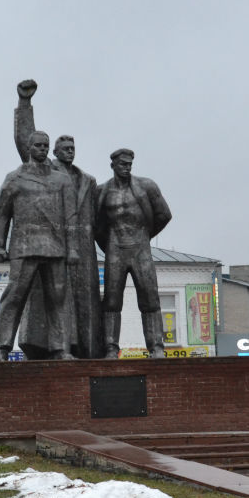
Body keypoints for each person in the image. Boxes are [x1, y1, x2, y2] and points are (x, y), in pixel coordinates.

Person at [12, 80, 101, 359]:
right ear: (54, 152)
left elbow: (96, 218)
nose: (70, 151)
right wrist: (25, 104)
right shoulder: (45, 171)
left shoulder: (87, 180)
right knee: (53, 300)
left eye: (73, 147)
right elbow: (25, 138)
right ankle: (49, 347)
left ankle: (77, 347)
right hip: (50, 245)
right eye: (64, 148)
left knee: (78, 303)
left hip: (80, 251)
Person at [0, 126, 75, 361]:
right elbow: (1, 213)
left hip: (55, 247)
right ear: (28, 148)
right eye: (38, 145)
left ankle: (60, 349)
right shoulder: (15, 178)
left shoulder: (61, 179)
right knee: (14, 297)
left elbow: (71, 217)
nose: (43, 149)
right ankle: (2, 348)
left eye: (46, 145)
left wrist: (73, 248)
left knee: (57, 299)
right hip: (24, 246)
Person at [95, 148, 172, 358]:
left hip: (140, 249)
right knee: (111, 301)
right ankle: (111, 347)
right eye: (122, 164)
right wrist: (109, 243)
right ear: (113, 165)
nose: (127, 168)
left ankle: (156, 346)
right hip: (115, 250)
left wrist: (144, 236)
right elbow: (96, 225)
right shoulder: (102, 191)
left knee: (150, 298)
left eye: (129, 164)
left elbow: (164, 214)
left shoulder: (146, 186)